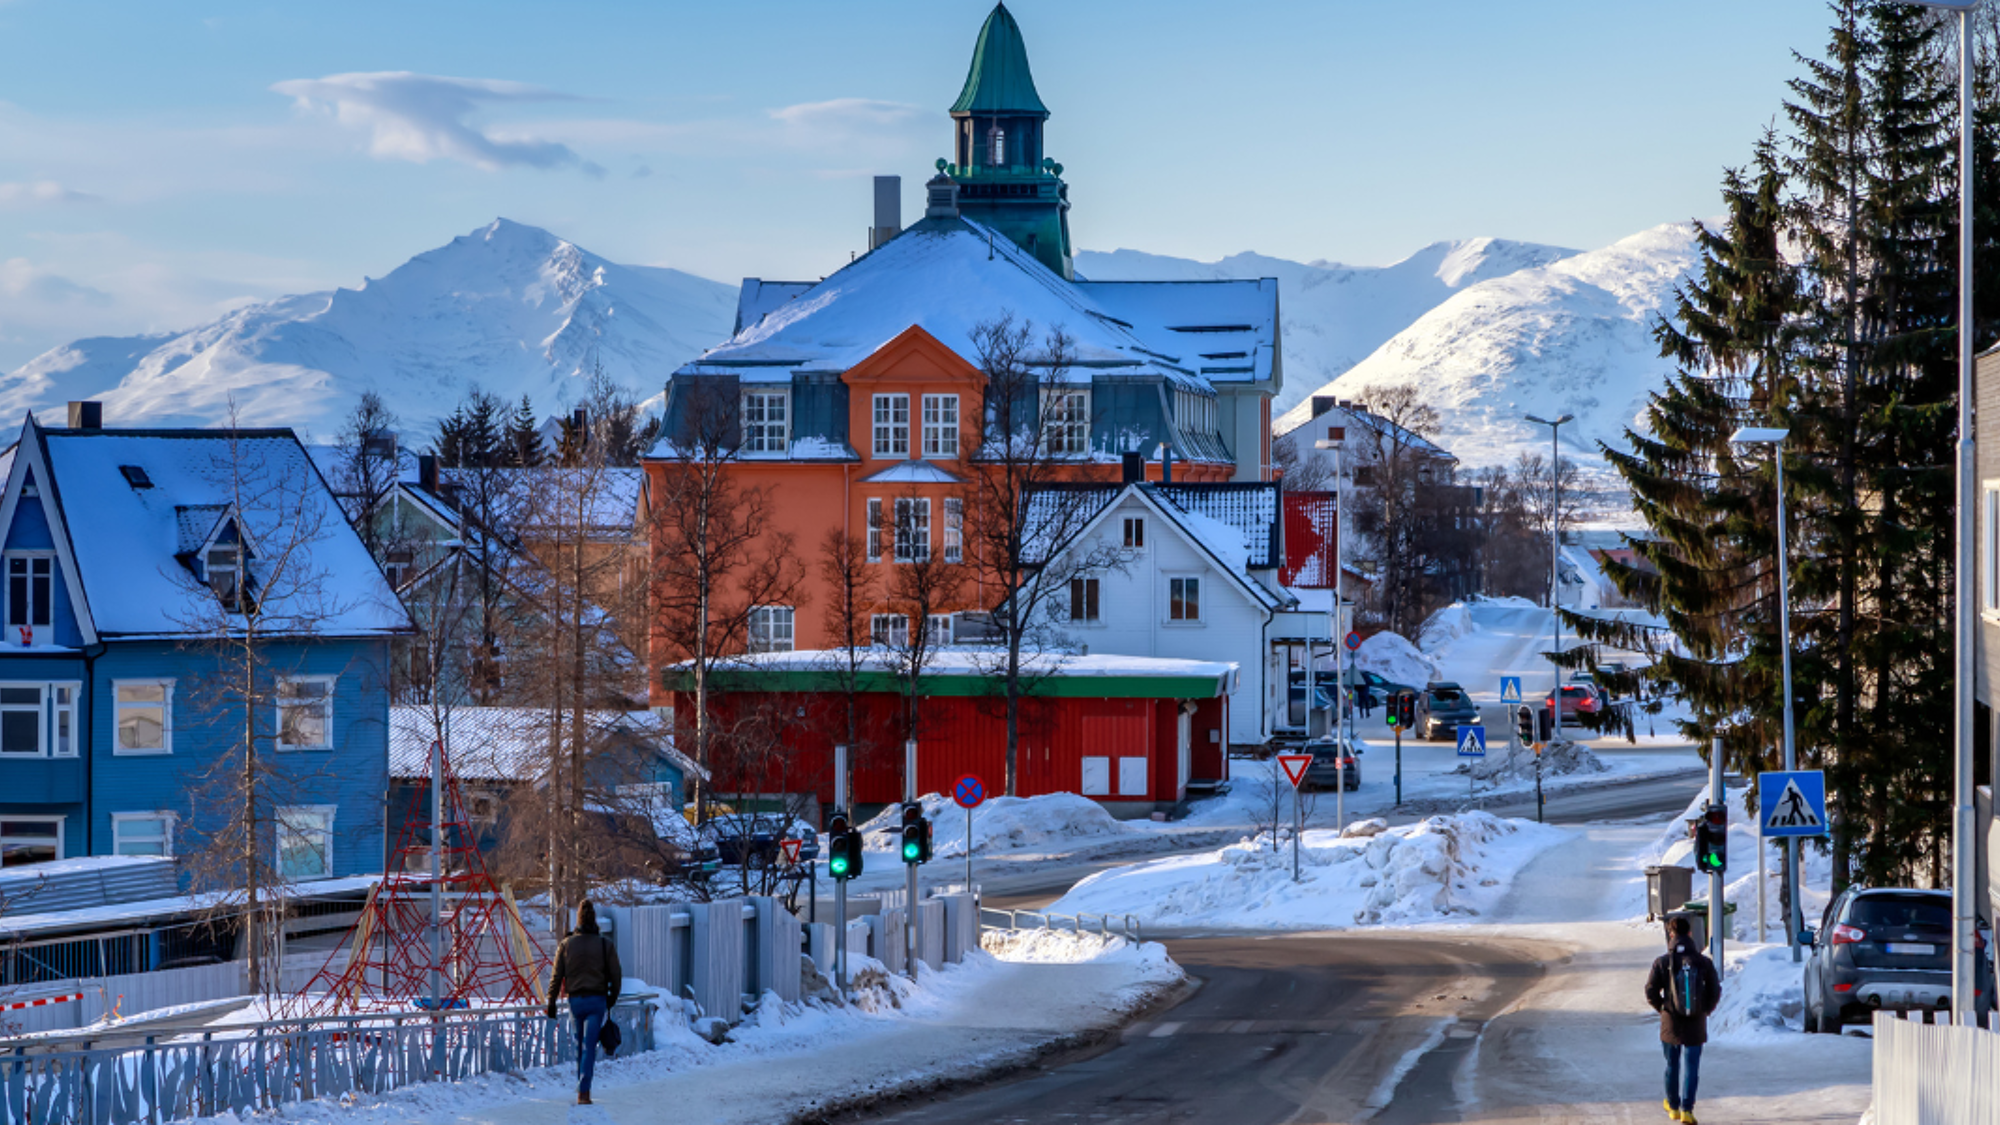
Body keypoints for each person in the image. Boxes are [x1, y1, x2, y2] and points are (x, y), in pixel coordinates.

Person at [1644, 915, 1721, 1123]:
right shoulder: (1703, 962)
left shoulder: (1662, 962)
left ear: (1671, 934)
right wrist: (1705, 1009)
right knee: (1692, 1066)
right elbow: (1715, 989)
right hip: (1696, 1022)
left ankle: (1673, 1106)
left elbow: (1650, 990)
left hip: (1671, 1022)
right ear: (1689, 934)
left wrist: (1662, 1008)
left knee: (1672, 1064)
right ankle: (1688, 1109)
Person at [546, 901, 621, 1105]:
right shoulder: (605, 945)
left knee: (580, 1045)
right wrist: (611, 999)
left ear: (577, 920)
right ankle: (584, 1091)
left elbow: (556, 975)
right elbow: (616, 975)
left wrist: (551, 1001)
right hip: (597, 1001)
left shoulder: (566, 945)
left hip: (575, 1001)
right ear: (594, 919)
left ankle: (582, 1089)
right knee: (589, 1046)